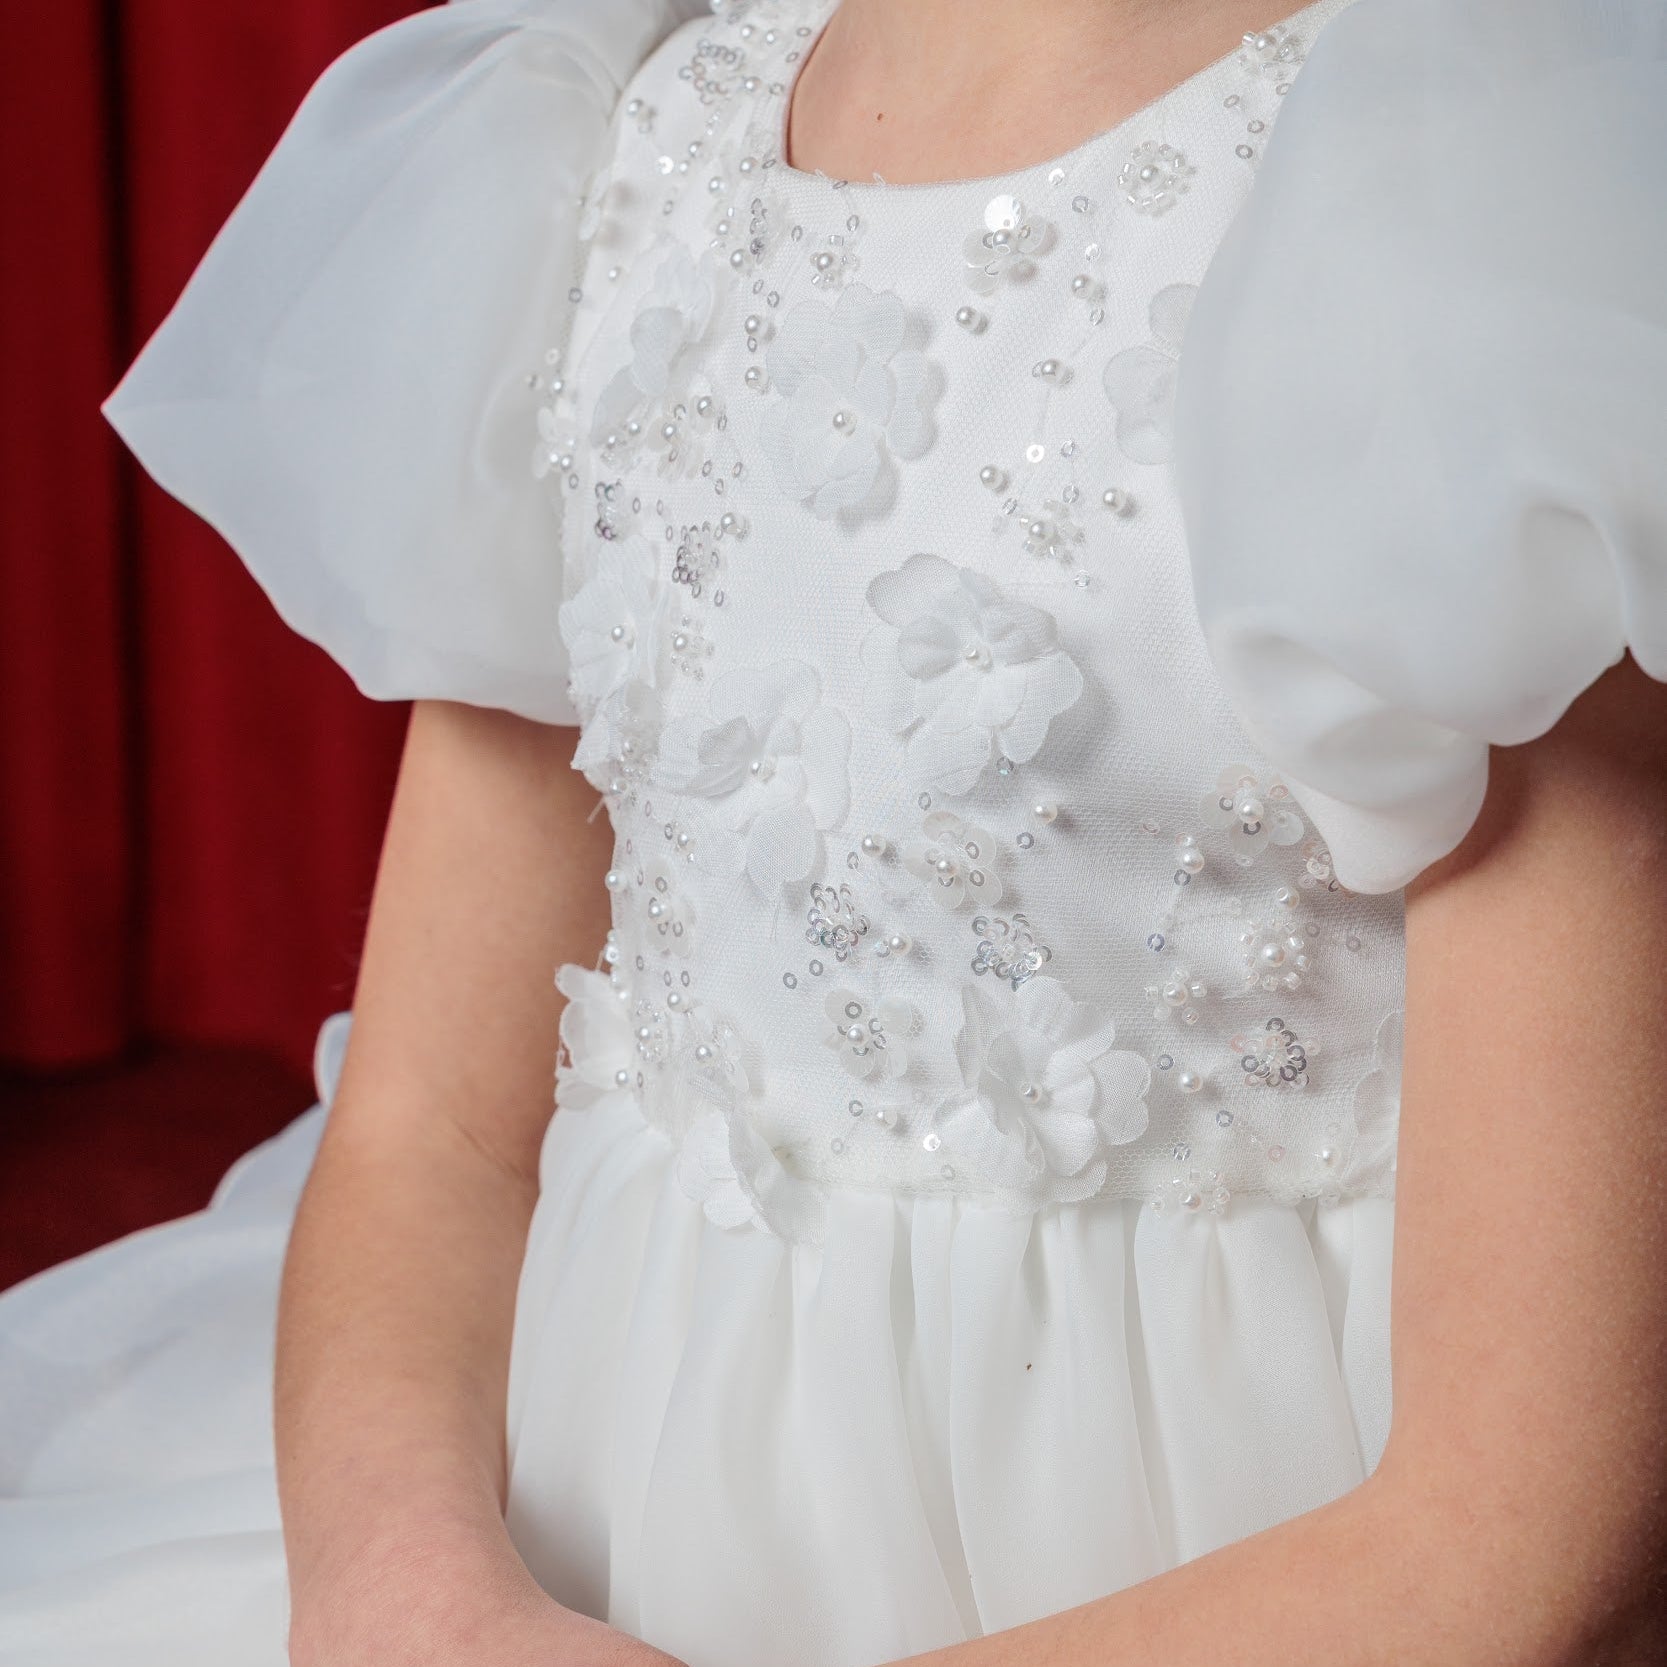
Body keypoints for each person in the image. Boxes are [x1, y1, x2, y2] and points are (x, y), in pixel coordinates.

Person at [3, 0, 1665, 1661]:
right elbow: (433, 1124)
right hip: (588, 1534)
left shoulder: (1495, 187)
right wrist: (415, 1599)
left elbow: (1514, 1530)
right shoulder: (627, 135)